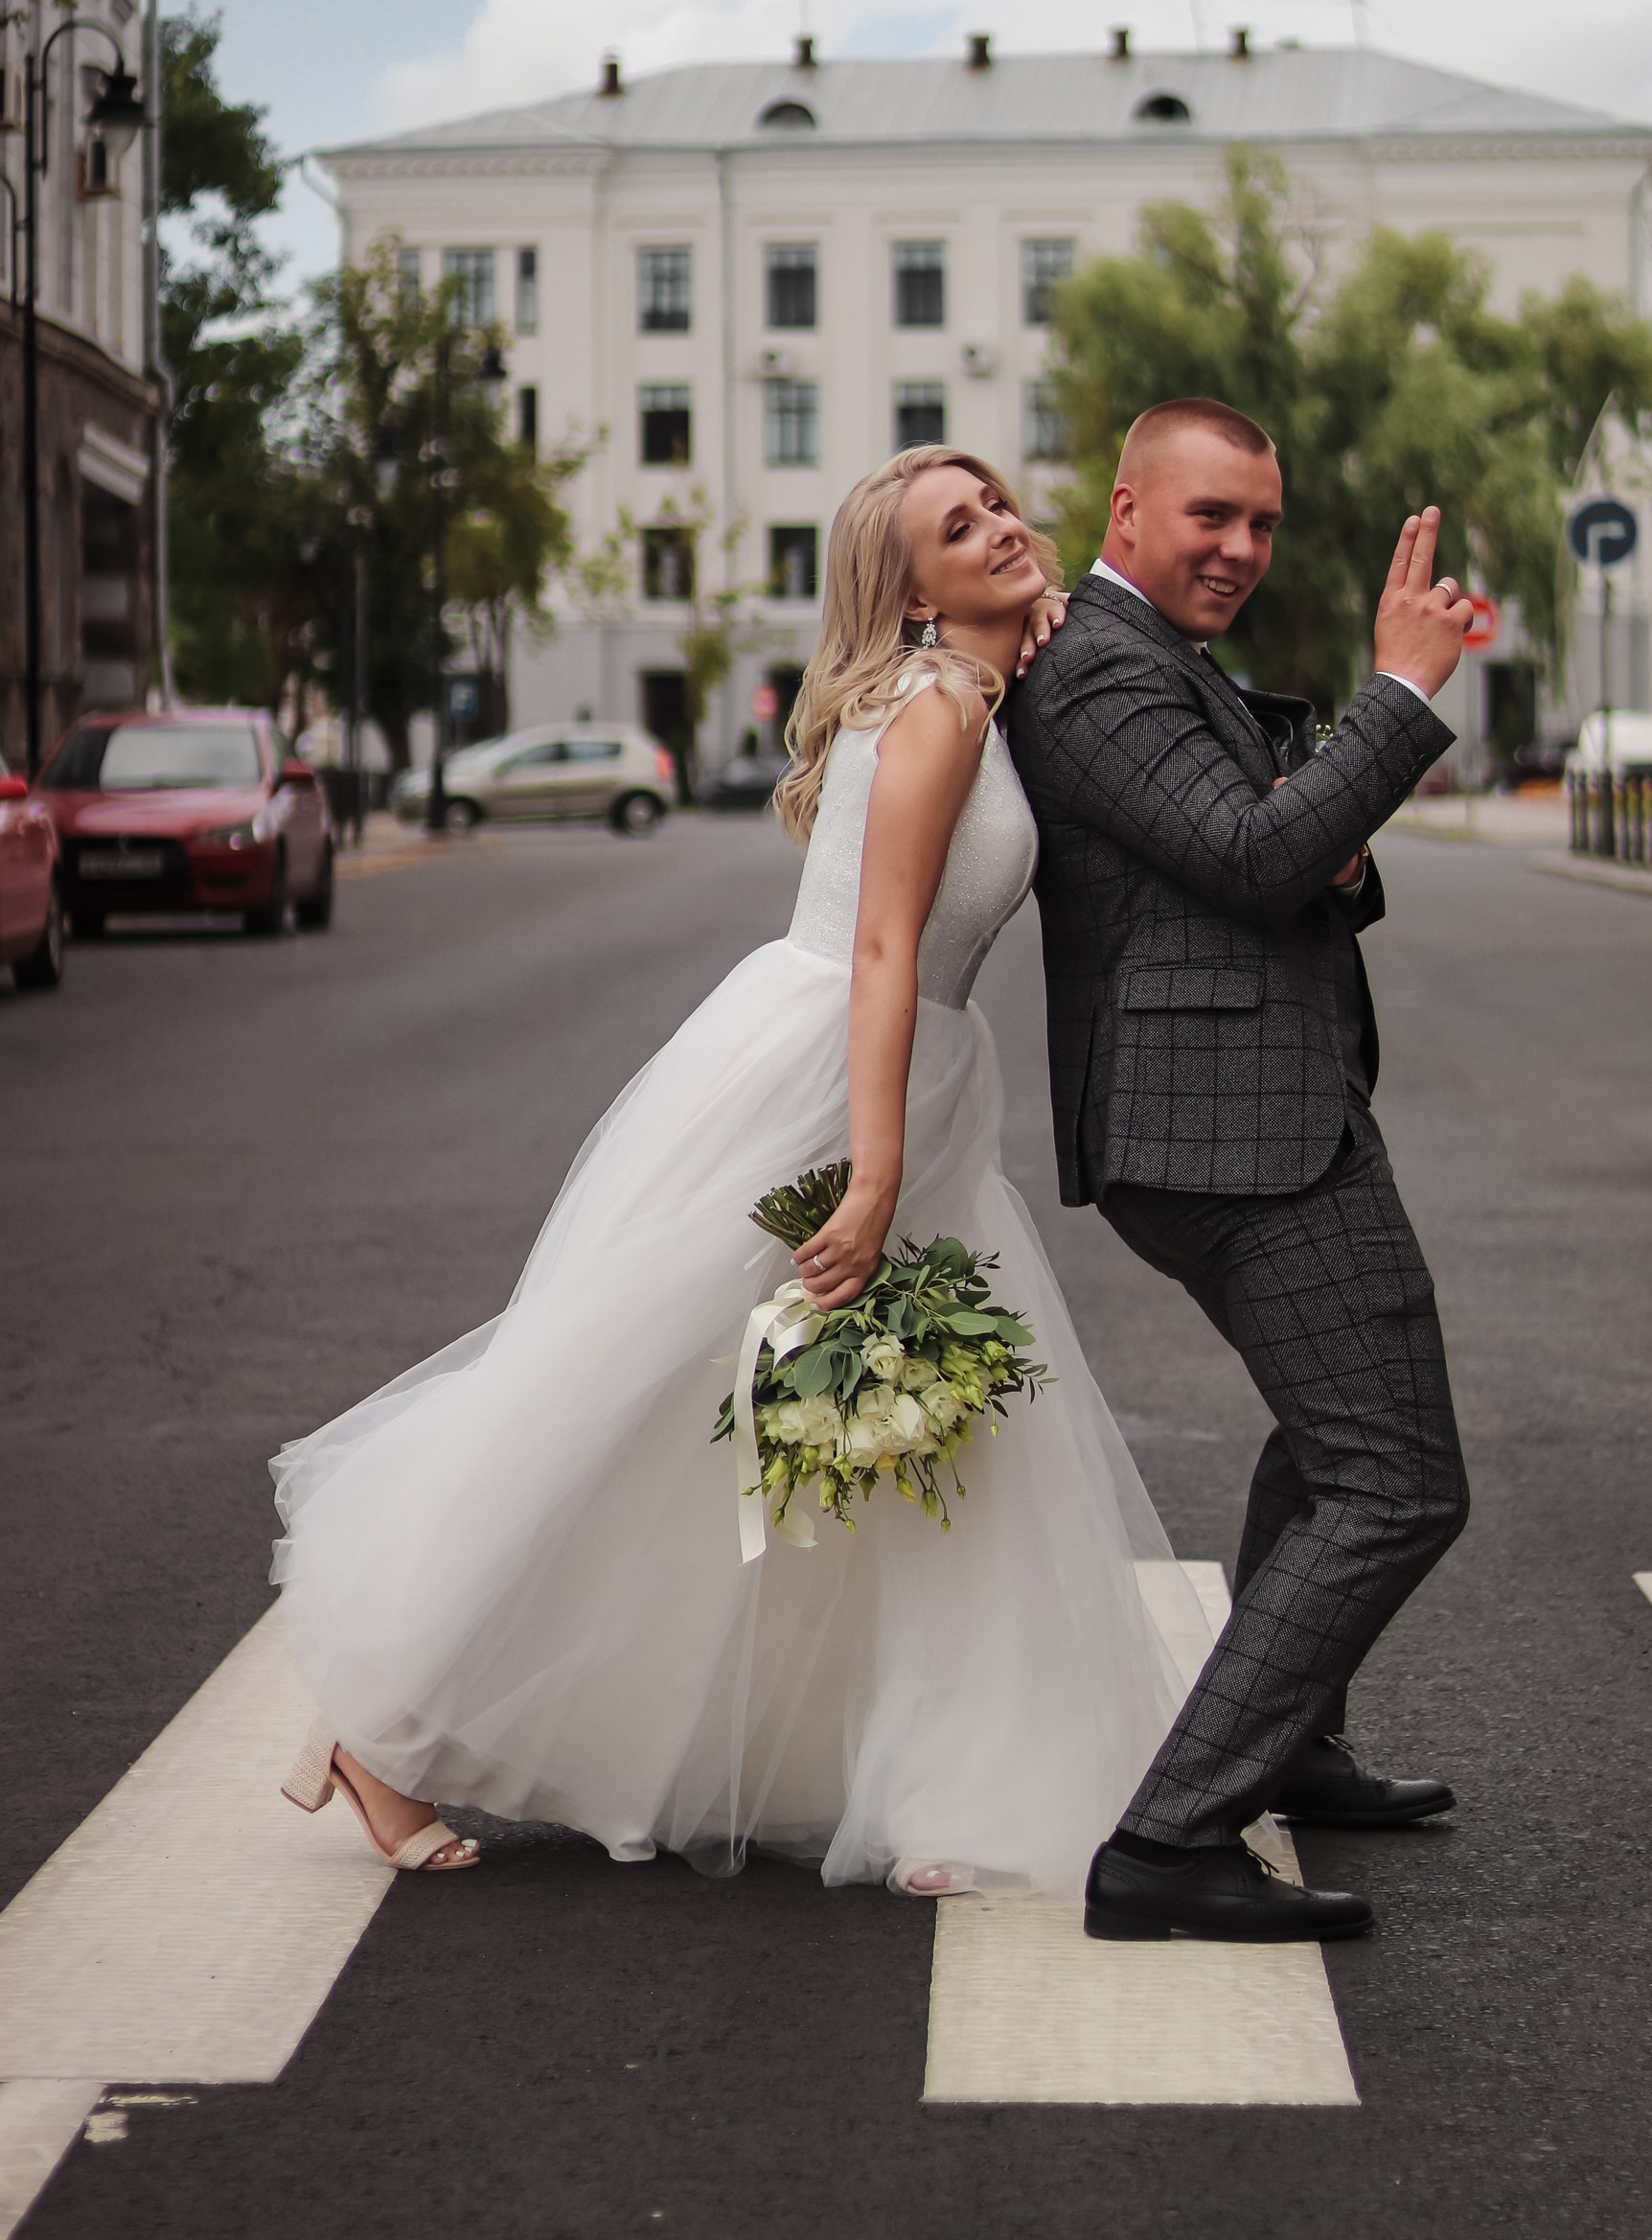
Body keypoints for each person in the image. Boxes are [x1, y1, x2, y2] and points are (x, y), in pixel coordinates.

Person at [273, 446, 1206, 1897]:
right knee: (639, 1403)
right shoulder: (942, 710)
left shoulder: (969, 691)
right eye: (960, 528)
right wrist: (875, 1170)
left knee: (914, 1435)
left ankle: (941, 1767)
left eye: (1000, 505)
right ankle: (388, 1728)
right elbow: (890, 944)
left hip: (892, 1070)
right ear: (906, 590)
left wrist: (1038, 633)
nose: (1004, 528)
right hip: (836, 1084)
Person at [1007, 397, 1474, 1945]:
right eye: (1212, 516)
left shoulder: (1156, 663)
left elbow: (1283, 841)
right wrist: (1398, 693)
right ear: (1128, 509)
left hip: (1258, 1104)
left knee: (1335, 1432)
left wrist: (1322, 821)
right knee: (1395, 1481)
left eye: (1260, 522)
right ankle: (1171, 1839)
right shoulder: (1094, 673)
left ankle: (1295, 1742)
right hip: (1224, 1128)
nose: (1241, 549)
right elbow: (1264, 855)